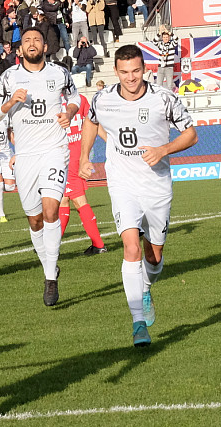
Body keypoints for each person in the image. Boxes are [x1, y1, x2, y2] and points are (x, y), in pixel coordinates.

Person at [78, 44, 197, 346]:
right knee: (131, 247)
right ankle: (138, 323)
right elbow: (90, 121)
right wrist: (84, 156)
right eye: (124, 72)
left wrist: (163, 150)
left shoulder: (164, 99)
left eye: (135, 71)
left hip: (156, 186)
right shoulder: (103, 98)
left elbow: (191, 134)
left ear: (144, 69)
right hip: (122, 183)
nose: (130, 78)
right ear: (115, 71)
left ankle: (145, 287)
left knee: (153, 256)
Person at [0, 27, 80, 306]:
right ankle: (49, 266)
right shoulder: (8, 77)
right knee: (35, 220)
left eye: (37, 39)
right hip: (25, 155)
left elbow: (75, 98)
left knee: (51, 210)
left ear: (45, 47)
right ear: (20, 49)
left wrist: (69, 111)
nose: (32, 43)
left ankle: (50, 278)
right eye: (27, 40)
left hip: (54, 150)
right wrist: (9, 103)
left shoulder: (59, 73)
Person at [60, 93, 106, 255]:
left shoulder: (53, 100)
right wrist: (110, 141)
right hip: (75, 154)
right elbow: (94, 123)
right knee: (63, 199)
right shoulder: (80, 99)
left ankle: (99, 245)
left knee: (77, 199)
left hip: (66, 156)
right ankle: (50, 245)